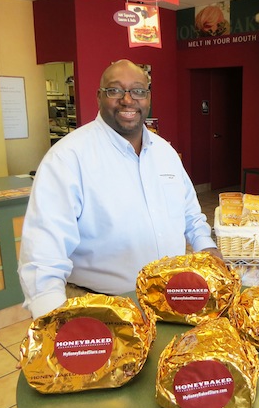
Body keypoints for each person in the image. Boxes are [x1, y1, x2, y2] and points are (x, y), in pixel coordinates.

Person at [18, 59, 222, 319]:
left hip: (169, 301)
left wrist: (206, 246)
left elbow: (189, 212)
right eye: (115, 90)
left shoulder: (165, 152)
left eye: (138, 90)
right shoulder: (68, 158)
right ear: (99, 97)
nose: (128, 100)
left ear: (147, 97)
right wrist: (52, 320)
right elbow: (42, 252)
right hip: (102, 309)